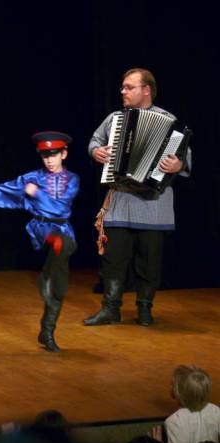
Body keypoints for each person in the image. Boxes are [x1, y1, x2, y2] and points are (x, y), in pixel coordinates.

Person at [83, 68, 191, 327]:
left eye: (129, 87)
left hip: (154, 204)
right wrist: (96, 152)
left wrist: (177, 165)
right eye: (122, 87)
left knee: (149, 262)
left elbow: (184, 158)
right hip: (120, 200)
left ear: (146, 90)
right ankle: (111, 309)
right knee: (113, 259)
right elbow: (94, 141)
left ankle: (144, 309)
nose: (123, 91)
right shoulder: (115, 119)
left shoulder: (169, 121)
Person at [0, 132, 79, 352]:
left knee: (60, 284)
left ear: (63, 154)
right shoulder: (32, 178)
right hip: (42, 227)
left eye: (54, 155)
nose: (49, 160)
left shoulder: (72, 179)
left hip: (63, 228)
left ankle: (47, 331)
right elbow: (4, 190)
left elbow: (59, 206)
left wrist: (37, 194)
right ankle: (45, 278)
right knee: (61, 243)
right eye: (45, 155)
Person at [150, 365, 220, 443]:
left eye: (172, 384)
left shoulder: (174, 421)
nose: (170, 386)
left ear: (178, 391)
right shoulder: (216, 411)